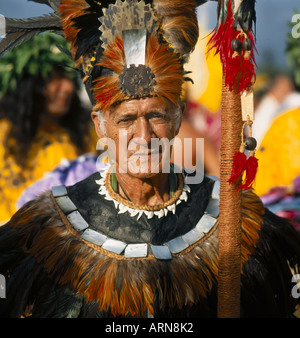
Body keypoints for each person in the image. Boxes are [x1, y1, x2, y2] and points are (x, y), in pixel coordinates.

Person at [0, 0, 299, 318]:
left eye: (155, 115)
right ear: (101, 124)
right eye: (127, 119)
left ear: (178, 118)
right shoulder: (47, 228)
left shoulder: (234, 219)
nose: (143, 136)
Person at [0, 33, 98, 224]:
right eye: (57, 77)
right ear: (30, 80)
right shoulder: (3, 135)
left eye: (71, 77)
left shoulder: (89, 132)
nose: (69, 87)